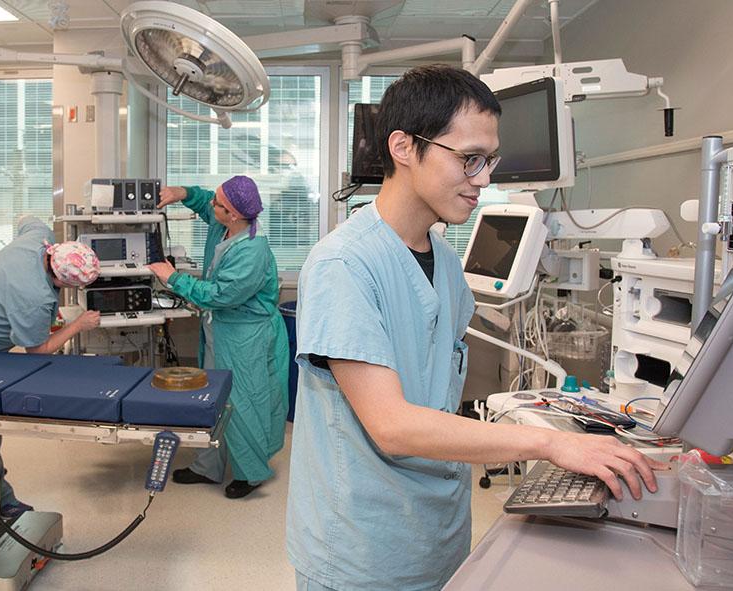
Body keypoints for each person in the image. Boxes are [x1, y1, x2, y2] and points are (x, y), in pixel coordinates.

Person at [285, 65, 666, 591]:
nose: (484, 179)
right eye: (469, 159)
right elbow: (392, 425)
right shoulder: (343, 265)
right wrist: (549, 446)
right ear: (403, 147)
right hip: (363, 544)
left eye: (489, 160)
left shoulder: (444, 261)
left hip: (438, 528)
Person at [0, 215, 102, 516]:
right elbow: (39, 351)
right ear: (61, 280)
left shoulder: (38, 239)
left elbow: (28, 219)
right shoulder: (33, 296)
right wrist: (78, 325)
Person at [146, 176, 289, 499]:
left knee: (243, 403)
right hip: (221, 331)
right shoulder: (225, 223)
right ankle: (207, 466)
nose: (212, 205)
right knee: (212, 399)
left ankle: (250, 472)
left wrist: (173, 278)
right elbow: (203, 199)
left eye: (218, 204)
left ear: (234, 214)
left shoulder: (252, 250)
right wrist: (181, 192)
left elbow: (222, 295)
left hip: (246, 337)